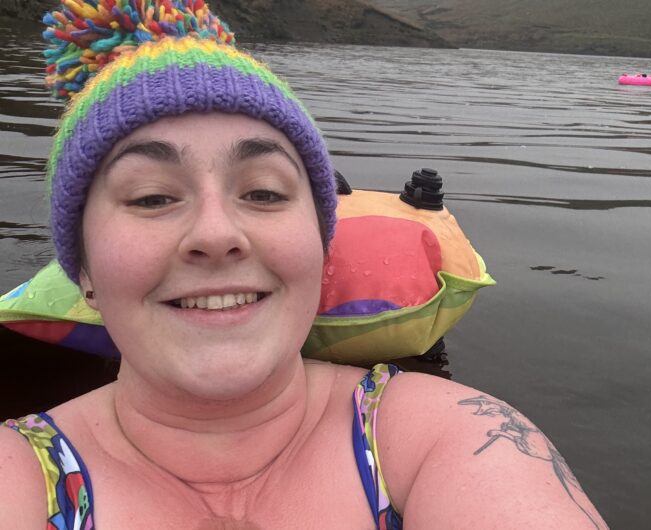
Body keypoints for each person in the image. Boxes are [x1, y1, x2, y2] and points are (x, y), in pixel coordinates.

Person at [0, 2, 607, 528]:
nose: (216, 235)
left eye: (263, 192)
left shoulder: (442, 441)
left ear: (319, 250)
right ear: (83, 272)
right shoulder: (16, 477)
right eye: (151, 197)